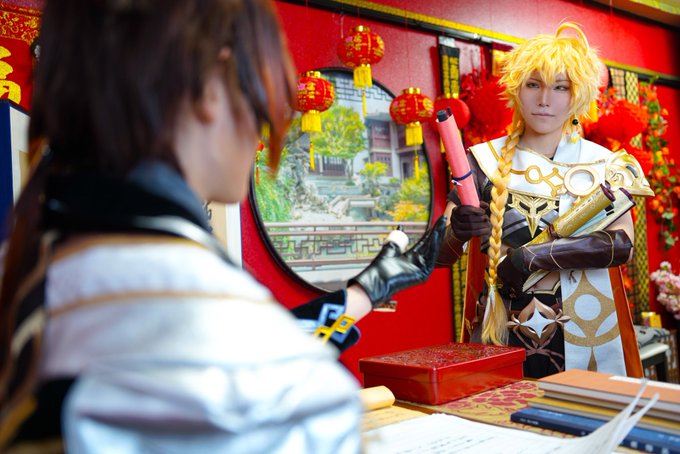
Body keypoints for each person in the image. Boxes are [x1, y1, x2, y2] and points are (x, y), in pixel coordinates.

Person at [0, 1, 445, 451]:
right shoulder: (189, 301)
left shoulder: (47, 245)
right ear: (213, 85)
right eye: (269, 91)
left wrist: (367, 290)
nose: (267, 125)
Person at [436, 22, 650, 379]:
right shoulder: (484, 161)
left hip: (587, 324)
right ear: (516, 89)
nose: (544, 99)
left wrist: (529, 258)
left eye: (560, 87)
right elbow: (438, 256)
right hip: (500, 328)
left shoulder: (605, 163)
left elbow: (621, 245)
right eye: (533, 84)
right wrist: (456, 232)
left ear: (578, 94)